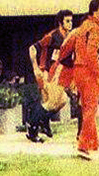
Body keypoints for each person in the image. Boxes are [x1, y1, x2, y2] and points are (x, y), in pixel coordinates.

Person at [59, 0, 99, 160]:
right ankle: (83, 145)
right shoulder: (94, 28)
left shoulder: (83, 26)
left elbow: (67, 48)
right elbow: (91, 54)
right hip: (89, 72)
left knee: (87, 107)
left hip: (79, 71)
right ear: (94, 11)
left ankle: (93, 143)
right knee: (90, 109)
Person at [27, 10, 75, 142]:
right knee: (52, 101)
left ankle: (43, 122)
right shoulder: (52, 36)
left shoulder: (68, 37)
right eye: (67, 21)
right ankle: (32, 127)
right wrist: (36, 67)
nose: (70, 24)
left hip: (56, 73)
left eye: (71, 21)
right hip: (46, 72)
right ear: (60, 22)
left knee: (61, 100)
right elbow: (32, 48)